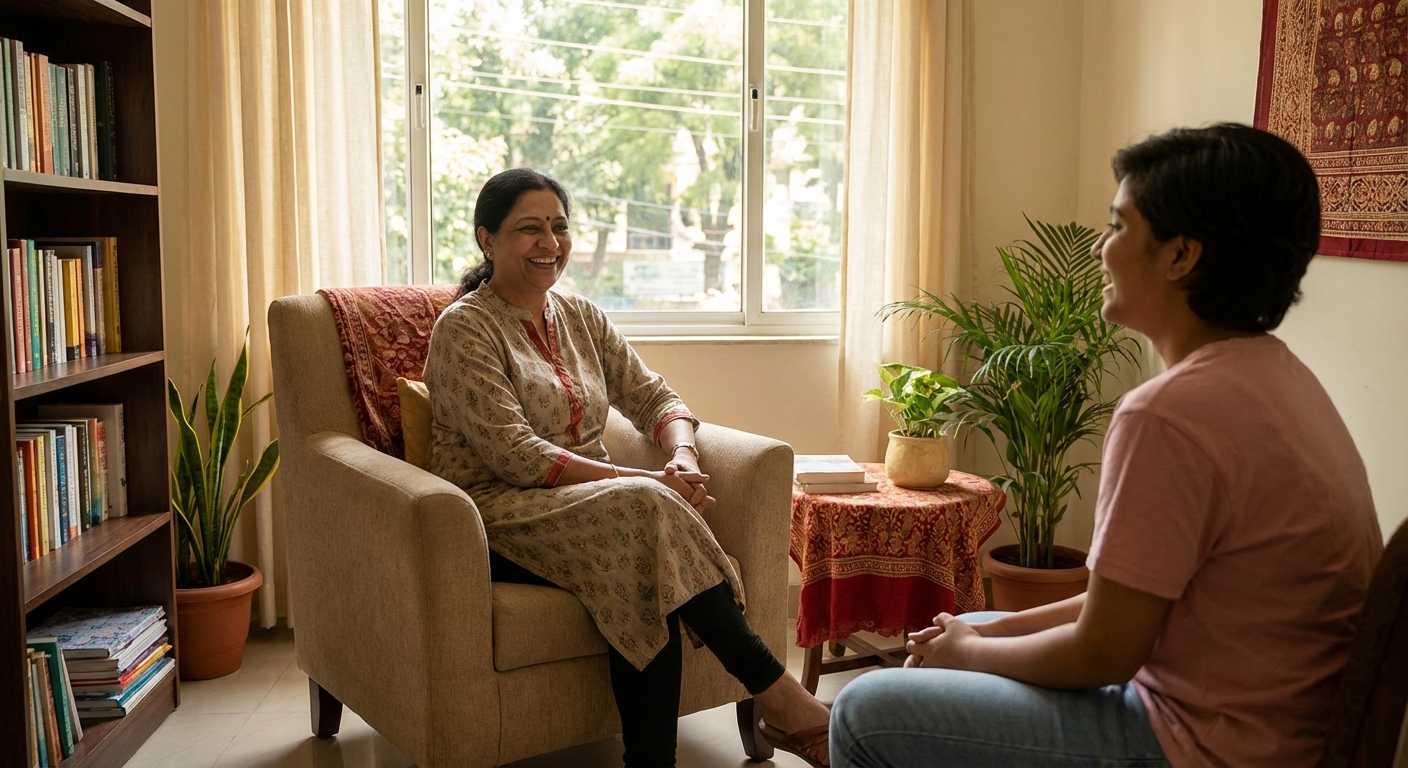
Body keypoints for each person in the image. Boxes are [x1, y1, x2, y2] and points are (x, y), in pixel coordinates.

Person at [829, 123, 1384, 767]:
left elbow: (1103, 653)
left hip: (1203, 745)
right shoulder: (1281, 378)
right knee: (972, 627)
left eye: (1119, 226)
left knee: (864, 711)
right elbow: (1123, 608)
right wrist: (977, 636)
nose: (1099, 248)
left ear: (1181, 256)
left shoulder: (1169, 414)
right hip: (1273, 726)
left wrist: (970, 654)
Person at [423, 168, 832, 768]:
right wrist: (647, 482)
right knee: (644, 512)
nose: (550, 243)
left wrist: (682, 455)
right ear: (487, 239)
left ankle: (656, 760)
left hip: (601, 510)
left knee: (641, 549)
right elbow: (516, 455)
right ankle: (782, 699)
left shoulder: (581, 316)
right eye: (529, 229)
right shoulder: (463, 330)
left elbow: (655, 398)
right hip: (492, 514)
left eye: (559, 227)